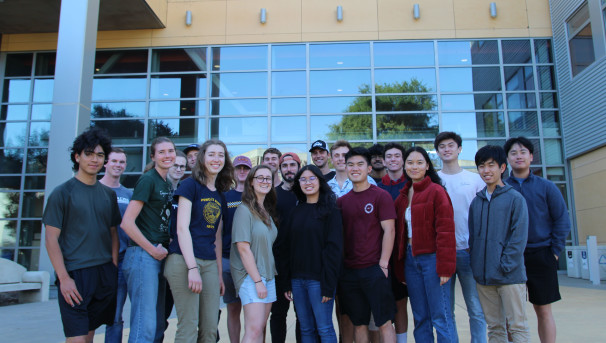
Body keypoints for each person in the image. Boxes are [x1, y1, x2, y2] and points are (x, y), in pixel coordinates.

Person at [43, 127, 121, 343]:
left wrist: (112, 266)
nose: (94, 159)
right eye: (88, 153)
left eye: (100, 155)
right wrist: (64, 277)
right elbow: (51, 239)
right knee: (76, 339)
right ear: (77, 157)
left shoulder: (108, 194)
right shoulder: (62, 193)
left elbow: (113, 231)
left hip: (103, 273)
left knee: (89, 336)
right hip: (75, 274)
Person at [164, 139, 233, 342]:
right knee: (188, 328)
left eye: (221, 155)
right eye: (211, 154)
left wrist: (219, 274)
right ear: (202, 158)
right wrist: (192, 268)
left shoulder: (220, 195)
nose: (216, 159)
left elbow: (217, 237)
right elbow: (182, 229)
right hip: (183, 260)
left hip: (210, 262)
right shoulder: (189, 185)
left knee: (210, 329)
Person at [504, 137, 570, 343]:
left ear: (531, 157)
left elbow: (562, 219)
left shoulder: (547, 187)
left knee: (543, 310)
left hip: (542, 255)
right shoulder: (502, 188)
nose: (518, 156)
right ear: (507, 159)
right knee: (511, 315)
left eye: (523, 152)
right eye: (513, 153)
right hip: (512, 258)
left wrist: (555, 251)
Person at [393, 146, 457, 343]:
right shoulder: (403, 196)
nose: (414, 167)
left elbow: (446, 230)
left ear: (427, 166)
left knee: (442, 316)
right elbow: (399, 236)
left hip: (434, 260)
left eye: (419, 162)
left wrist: (446, 267)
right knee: (420, 318)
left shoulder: (437, 191)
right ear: (404, 166)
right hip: (411, 262)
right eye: (410, 162)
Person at [469, 145, 530, 342]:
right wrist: (477, 266)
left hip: (509, 276)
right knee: (494, 329)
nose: (486, 171)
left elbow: (518, 238)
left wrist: (505, 266)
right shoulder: (476, 202)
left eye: (491, 165)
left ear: (502, 167)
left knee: (517, 327)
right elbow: (473, 238)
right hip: (484, 278)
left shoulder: (515, 199)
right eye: (481, 166)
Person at [337, 147, 397, 343]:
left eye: (360, 164)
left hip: (375, 269)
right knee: (359, 323)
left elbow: (390, 230)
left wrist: (383, 264)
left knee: (384, 322)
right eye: (351, 165)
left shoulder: (380, 196)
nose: (355, 168)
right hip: (350, 272)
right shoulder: (342, 202)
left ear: (369, 169)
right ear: (346, 168)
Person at [121, 136, 176, 343]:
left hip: (158, 256)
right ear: (153, 156)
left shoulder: (166, 183)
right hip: (143, 255)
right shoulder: (148, 179)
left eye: (170, 151)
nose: (167, 155)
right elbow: (127, 223)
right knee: (144, 325)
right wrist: (152, 250)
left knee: (157, 325)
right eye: (161, 152)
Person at [280, 165, 343, 343]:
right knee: (306, 329)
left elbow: (334, 249)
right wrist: (287, 282)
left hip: (319, 281)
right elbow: (286, 248)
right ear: (298, 184)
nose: (308, 183)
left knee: (324, 328)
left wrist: (329, 284)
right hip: (297, 280)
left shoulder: (331, 211)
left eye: (312, 178)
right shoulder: (295, 212)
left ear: (320, 181)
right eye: (303, 179)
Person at [434, 132, 487, 343]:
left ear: (459, 149)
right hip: (442, 254)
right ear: (437, 152)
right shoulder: (434, 181)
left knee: (476, 309)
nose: (447, 149)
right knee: (445, 311)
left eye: (451, 145)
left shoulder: (475, 180)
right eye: (442, 147)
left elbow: (483, 216)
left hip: (468, 252)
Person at [230, 165, 279, 343]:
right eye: (260, 177)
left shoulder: (265, 211)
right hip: (252, 277)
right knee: (253, 330)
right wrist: (258, 281)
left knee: (260, 329)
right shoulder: (244, 210)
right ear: (251, 182)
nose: (265, 181)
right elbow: (243, 249)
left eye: (268, 178)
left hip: (268, 275)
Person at [100, 148, 134, 343]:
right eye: (114, 161)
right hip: (98, 258)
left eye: (122, 162)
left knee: (115, 315)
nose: (118, 165)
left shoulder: (128, 194)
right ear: (106, 163)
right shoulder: (95, 189)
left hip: (122, 259)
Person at [377, 142, 409, 343]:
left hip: (408, 253)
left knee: (401, 304)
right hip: (384, 255)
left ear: (403, 159)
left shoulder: (412, 185)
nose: (393, 159)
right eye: (389, 156)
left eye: (397, 156)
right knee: (386, 304)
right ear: (384, 160)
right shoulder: (377, 188)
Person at [271, 152, 303, 343]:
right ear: (280, 169)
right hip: (278, 263)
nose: (289, 169)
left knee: (303, 316)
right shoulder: (273, 194)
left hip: (302, 262)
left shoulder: (307, 192)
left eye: (293, 165)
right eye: (285, 166)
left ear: (299, 167)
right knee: (277, 314)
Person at [222, 155, 253, 343]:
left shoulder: (256, 195)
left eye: (246, 168)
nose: (242, 171)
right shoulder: (224, 196)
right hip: (228, 260)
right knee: (233, 309)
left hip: (251, 261)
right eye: (238, 168)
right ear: (233, 172)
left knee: (253, 311)